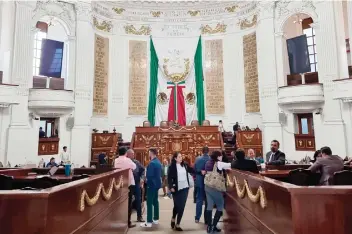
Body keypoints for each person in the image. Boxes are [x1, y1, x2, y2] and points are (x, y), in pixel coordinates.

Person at [204, 150, 231, 233]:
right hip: (215, 187)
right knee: (220, 205)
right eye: (221, 156)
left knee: (209, 206)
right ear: (218, 157)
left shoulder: (208, 162)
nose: (222, 157)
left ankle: (209, 227)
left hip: (207, 186)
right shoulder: (219, 163)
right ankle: (213, 226)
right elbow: (231, 165)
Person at [167, 152, 194, 231]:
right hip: (176, 189)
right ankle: (173, 217)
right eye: (179, 157)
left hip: (185, 188)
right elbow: (169, 178)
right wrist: (171, 187)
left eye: (181, 156)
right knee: (176, 205)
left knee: (182, 206)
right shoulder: (172, 167)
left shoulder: (185, 164)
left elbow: (192, 170)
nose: (181, 158)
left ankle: (178, 224)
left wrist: (200, 171)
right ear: (175, 158)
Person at [114, 147, 137, 228]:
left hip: (119, 183)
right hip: (129, 183)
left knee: (120, 202)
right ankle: (128, 221)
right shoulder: (127, 160)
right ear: (126, 153)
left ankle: (120, 220)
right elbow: (134, 167)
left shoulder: (116, 160)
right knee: (129, 202)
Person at [140, 148, 162, 228]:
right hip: (156, 184)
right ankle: (156, 219)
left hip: (151, 184)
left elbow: (149, 175)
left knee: (149, 202)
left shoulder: (152, 163)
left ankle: (149, 221)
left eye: (149, 152)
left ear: (151, 153)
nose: (148, 154)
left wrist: (144, 180)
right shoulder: (158, 162)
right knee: (155, 201)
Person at [126, 149, 145, 222]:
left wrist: (142, 178)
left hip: (137, 183)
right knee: (129, 200)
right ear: (128, 154)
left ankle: (139, 217)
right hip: (129, 184)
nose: (133, 155)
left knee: (138, 199)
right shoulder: (126, 162)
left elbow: (143, 170)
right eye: (132, 154)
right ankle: (128, 218)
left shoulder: (137, 162)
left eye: (133, 154)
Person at [194, 146, 210, 224]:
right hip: (208, 182)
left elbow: (195, 169)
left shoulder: (198, 159)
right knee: (208, 200)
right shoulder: (211, 159)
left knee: (199, 200)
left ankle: (197, 218)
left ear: (202, 151)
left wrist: (200, 171)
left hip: (199, 181)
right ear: (208, 151)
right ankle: (206, 219)